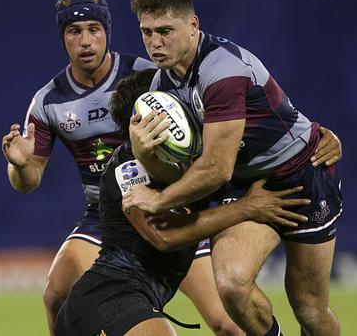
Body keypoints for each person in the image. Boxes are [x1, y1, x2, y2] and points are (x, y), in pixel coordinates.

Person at [1, 0, 244, 336]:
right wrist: (21, 165)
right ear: (63, 38)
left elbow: (207, 123)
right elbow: (28, 181)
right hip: (106, 218)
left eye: (93, 30)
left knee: (224, 321)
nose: (85, 41)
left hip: (168, 206)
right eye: (74, 31)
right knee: (55, 293)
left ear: (106, 33)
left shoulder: (147, 75)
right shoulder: (48, 101)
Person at [123, 0, 343, 336]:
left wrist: (159, 201)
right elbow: (178, 172)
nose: (154, 43)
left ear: (193, 25)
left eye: (165, 30)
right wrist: (144, 155)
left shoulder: (222, 70)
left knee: (309, 307)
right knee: (231, 284)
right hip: (245, 183)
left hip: (303, 172)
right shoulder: (160, 86)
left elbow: (215, 169)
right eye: (146, 32)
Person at [54, 69, 311, 336]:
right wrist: (247, 207)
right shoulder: (127, 168)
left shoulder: (192, 161)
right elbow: (164, 235)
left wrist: (315, 139)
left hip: (131, 301)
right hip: (108, 299)